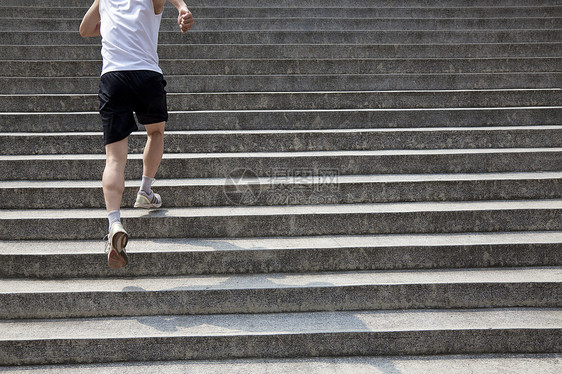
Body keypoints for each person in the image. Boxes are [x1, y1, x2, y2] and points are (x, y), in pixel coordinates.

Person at [80, 0, 194, 268]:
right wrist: (182, 8)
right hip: (146, 75)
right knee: (155, 133)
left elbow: (85, 29)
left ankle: (114, 222)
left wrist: (110, 23)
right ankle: (145, 190)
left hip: (113, 78)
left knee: (115, 159)